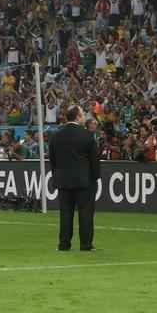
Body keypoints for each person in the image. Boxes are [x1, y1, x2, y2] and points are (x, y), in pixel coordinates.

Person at [48, 103, 100, 252]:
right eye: (82, 114)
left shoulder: (56, 135)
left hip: (63, 180)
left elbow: (52, 159)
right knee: (85, 213)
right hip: (84, 181)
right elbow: (94, 160)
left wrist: (56, 176)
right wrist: (95, 178)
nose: (84, 116)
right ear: (78, 117)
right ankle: (86, 244)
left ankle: (64, 244)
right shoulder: (87, 135)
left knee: (65, 213)